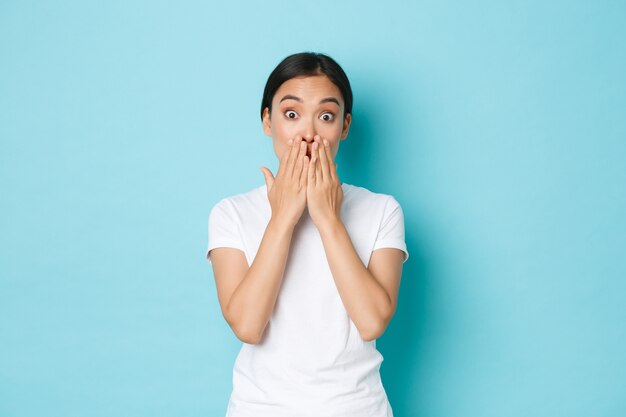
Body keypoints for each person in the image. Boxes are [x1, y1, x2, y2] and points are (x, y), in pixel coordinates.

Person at [205, 52, 409, 417]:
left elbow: (372, 320)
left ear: (344, 127)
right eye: (291, 114)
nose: (309, 133)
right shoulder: (231, 213)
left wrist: (328, 218)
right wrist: (283, 216)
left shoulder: (382, 210)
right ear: (268, 120)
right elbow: (248, 326)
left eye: (326, 116)